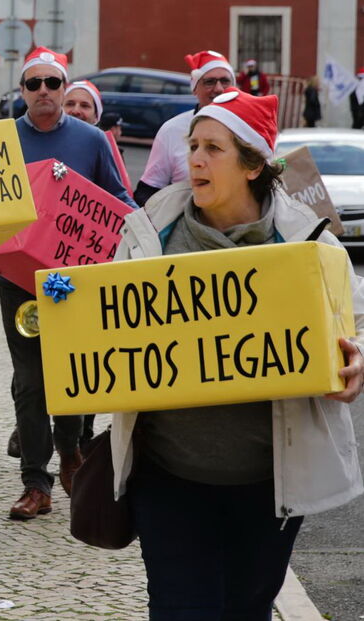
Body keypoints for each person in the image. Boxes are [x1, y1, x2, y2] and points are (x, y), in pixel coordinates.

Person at [110, 87, 364, 617]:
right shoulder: (151, 227)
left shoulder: (309, 242)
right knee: (179, 609)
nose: (194, 158)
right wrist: (67, 304)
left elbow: (356, 321)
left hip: (269, 486)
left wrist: (358, 356)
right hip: (168, 477)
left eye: (212, 148)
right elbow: (109, 313)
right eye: (192, 144)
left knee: (245, 610)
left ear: (252, 165)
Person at [0, 47, 136, 521]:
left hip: (72, 282)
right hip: (17, 280)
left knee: (70, 375)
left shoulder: (92, 141)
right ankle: (35, 482)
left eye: (53, 83)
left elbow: (121, 200)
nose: (44, 91)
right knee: (30, 383)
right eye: (34, 84)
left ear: (65, 88)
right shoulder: (1, 140)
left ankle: (70, 451)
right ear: (22, 92)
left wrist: (127, 240)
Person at [135, 50, 235, 206]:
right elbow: (147, 192)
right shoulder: (171, 130)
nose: (219, 89)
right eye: (209, 82)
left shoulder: (247, 128)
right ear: (195, 88)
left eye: (225, 81)